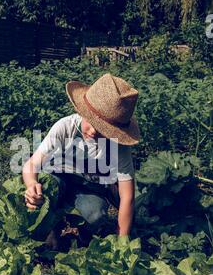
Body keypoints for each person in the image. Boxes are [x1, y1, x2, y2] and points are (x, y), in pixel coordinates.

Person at [22, 73, 140, 245]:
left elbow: (127, 196)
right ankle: (49, 230)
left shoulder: (118, 147)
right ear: (82, 111)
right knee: (46, 189)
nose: (92, 131)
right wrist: (32, 184)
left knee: (96, 215)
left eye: (102, 130)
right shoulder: (65, 127)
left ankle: (84, 237)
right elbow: (32, 164)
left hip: (89, 188)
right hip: (59, 179)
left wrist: (123, 241)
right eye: (90, 122)